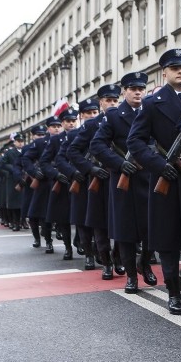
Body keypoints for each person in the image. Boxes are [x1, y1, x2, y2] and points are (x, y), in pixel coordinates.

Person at [127, 48, 181, 315]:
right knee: (167, 238)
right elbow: (135, 142)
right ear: (164, 73)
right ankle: (173, 291)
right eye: (176, 68)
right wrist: (158, 165)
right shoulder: (152, 104)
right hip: (165, 174)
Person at [91, 72, 157, 293]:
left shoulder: (152, 111)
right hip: (123, 180)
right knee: (126, 230)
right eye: (132, 89)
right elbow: (97, 146)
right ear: (124, 92)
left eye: (141, 88)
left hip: (148, 176)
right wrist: (119, 164)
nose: (138, 92)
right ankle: (131, 276)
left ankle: (145, 263)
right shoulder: (113, 116)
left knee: (151, 226)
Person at [67, 87, 121, 275]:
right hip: (99, 179)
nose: (112, 103)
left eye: (115, 100)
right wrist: (91, 169)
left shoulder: (126, 119)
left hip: (120, 177)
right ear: (101, 103)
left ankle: (118, 256)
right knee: (100, 224)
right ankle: (106, 262)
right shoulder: (91, 126)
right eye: (108, 100)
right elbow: (72, 151)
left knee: (122, 220)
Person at [41, 107, 80, 260]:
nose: (71, 124)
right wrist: (56, 174)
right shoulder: (55, 140)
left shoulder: (81, 135)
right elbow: (44, 162)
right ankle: (68, 248)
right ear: (63, 123)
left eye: (73, 121)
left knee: (81, 216)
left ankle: (79, 240)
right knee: (63, 219)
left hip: (79, 180)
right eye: (68, 121)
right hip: (62, 182)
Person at [23, 117, 62, 252]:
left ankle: (58, 234)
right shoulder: (40, 142)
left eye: (58, 125)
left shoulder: (66, 139)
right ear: (48, 128)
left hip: (60, 179)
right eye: (53, 126)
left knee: (58, 212)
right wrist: (34, 172)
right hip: (44, 181)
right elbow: (26, 158)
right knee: (37, 213)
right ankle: (43, 240)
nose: (57, 128)